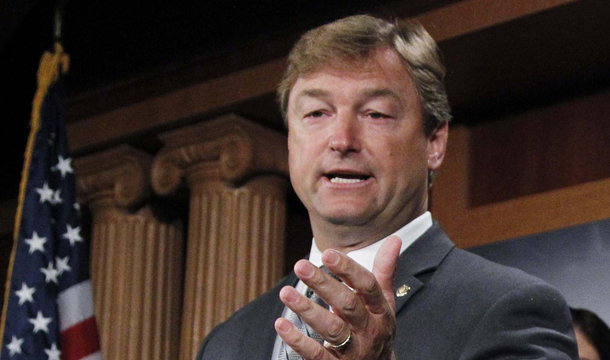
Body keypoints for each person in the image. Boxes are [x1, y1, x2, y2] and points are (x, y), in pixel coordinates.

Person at [196, 15, 578, 360]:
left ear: (434, 143)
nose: (342, 139)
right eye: (316, 113)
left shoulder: (508, 309)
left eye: (375, 114)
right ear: (291, 139)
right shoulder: (229, 341)